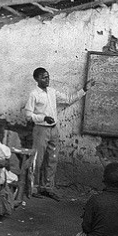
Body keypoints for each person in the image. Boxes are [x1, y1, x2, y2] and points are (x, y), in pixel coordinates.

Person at [24, 67, 91, 201]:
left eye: (48, 76)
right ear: (36, 79)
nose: (47, 79)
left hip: (54, 129)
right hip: (40, 130)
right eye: (44, 77)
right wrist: (43, 118)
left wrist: (84, 89)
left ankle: (47, 188)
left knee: (52, 159)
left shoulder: (52, 92)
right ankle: (33, 188)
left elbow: (68, 99)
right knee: (37, 159)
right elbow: (28, 115)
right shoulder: (34, 94)